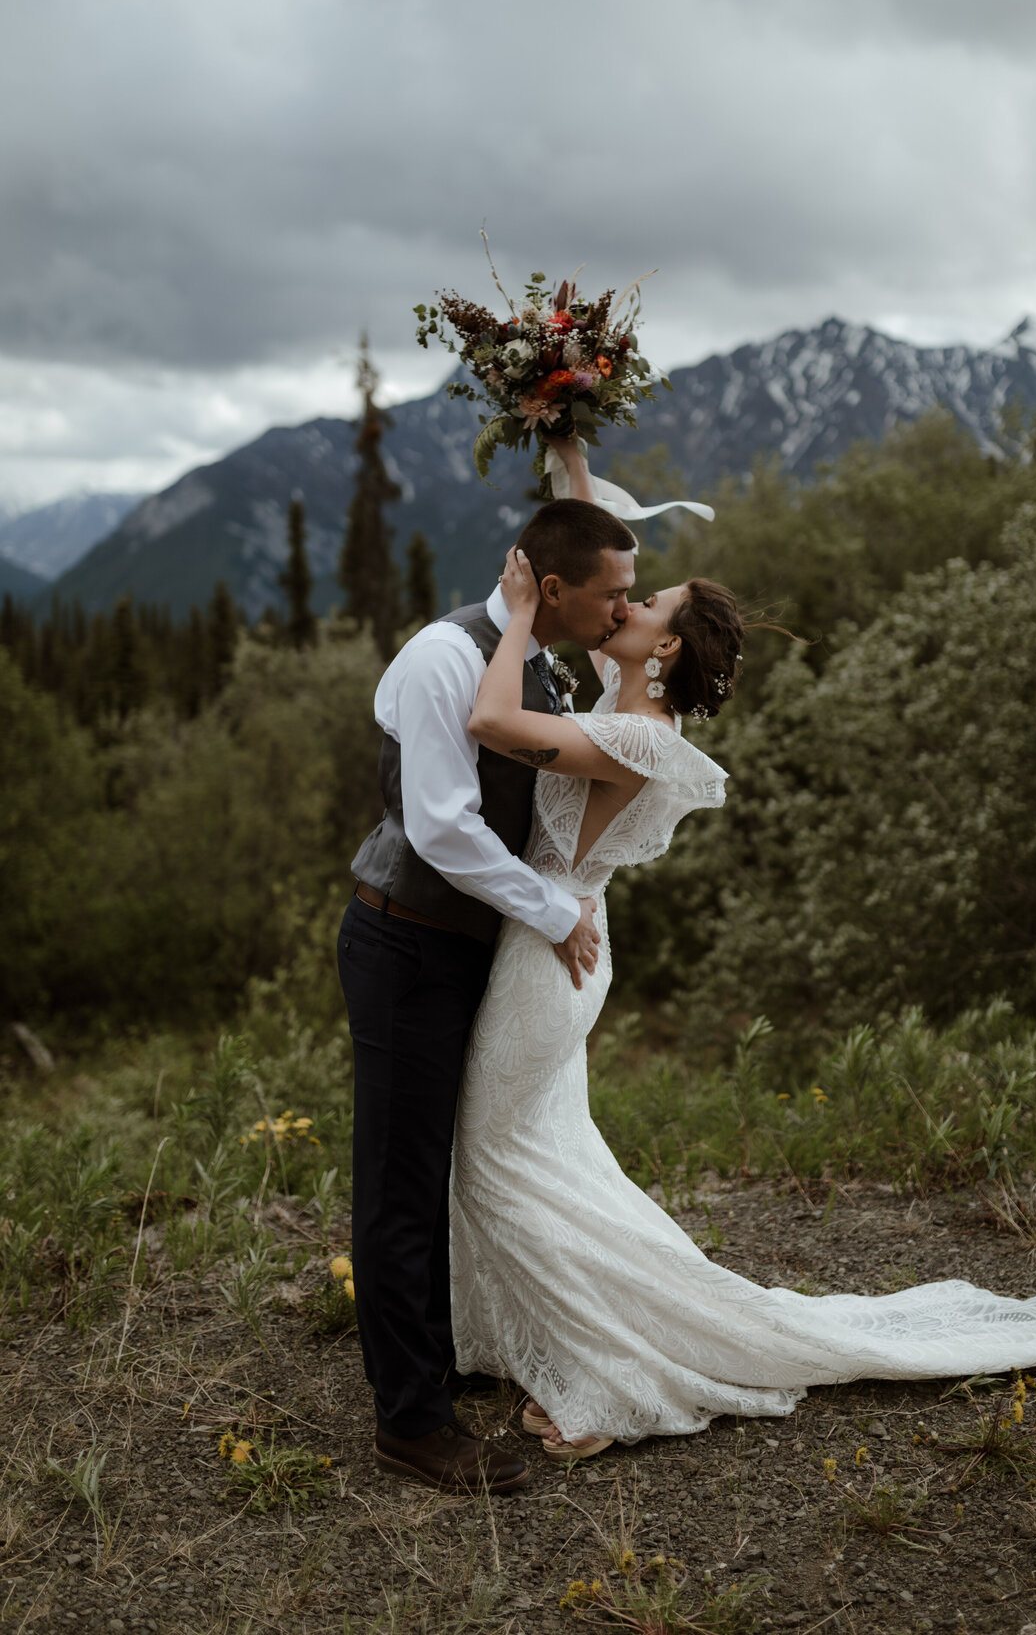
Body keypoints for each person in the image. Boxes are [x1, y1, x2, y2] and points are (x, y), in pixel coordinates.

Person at [449, 437, 1036, 1461]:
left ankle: (608, 1374)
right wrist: (570, 437)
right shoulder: (625, 703)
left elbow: (489, 716)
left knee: (491, 1158)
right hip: (561, 937)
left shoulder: (640, 738)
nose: (621, 607)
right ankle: (535, 1332)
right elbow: (593, 549)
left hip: (548, 957)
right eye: (623, 594)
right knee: (540, 1155)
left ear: (659, 650)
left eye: (641, 606)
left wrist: (521, 613)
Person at [337, 487, 638, 1493]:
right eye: (610, 597)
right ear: (553, 590)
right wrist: (554, 914)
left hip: (467, 949)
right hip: (405, 942)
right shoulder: (443, 659)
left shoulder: (538, 651)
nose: (621, 614)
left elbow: (592, 544)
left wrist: (567, 433)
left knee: (437, 1168)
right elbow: (443, 828)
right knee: (398, 1179)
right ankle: (410, 1425)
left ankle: (426, 1362)